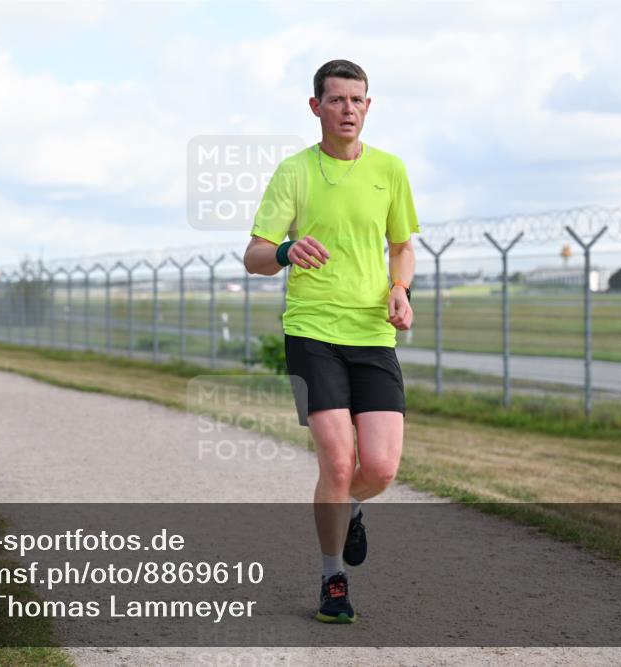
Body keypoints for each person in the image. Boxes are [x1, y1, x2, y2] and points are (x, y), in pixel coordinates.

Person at [243, 60, 419, 624]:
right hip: (311, 332)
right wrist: (289, 249)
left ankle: (350, 513)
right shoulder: (295, 172)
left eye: (358, 100)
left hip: (372, 334)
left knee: (382, 468)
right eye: (337, 99)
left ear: (369, 106)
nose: (349, 109)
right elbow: (253, 257)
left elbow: (402, 246)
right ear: (316, 106)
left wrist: (400, 288)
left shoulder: (390, 170)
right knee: (338, 465)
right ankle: (332, 579)